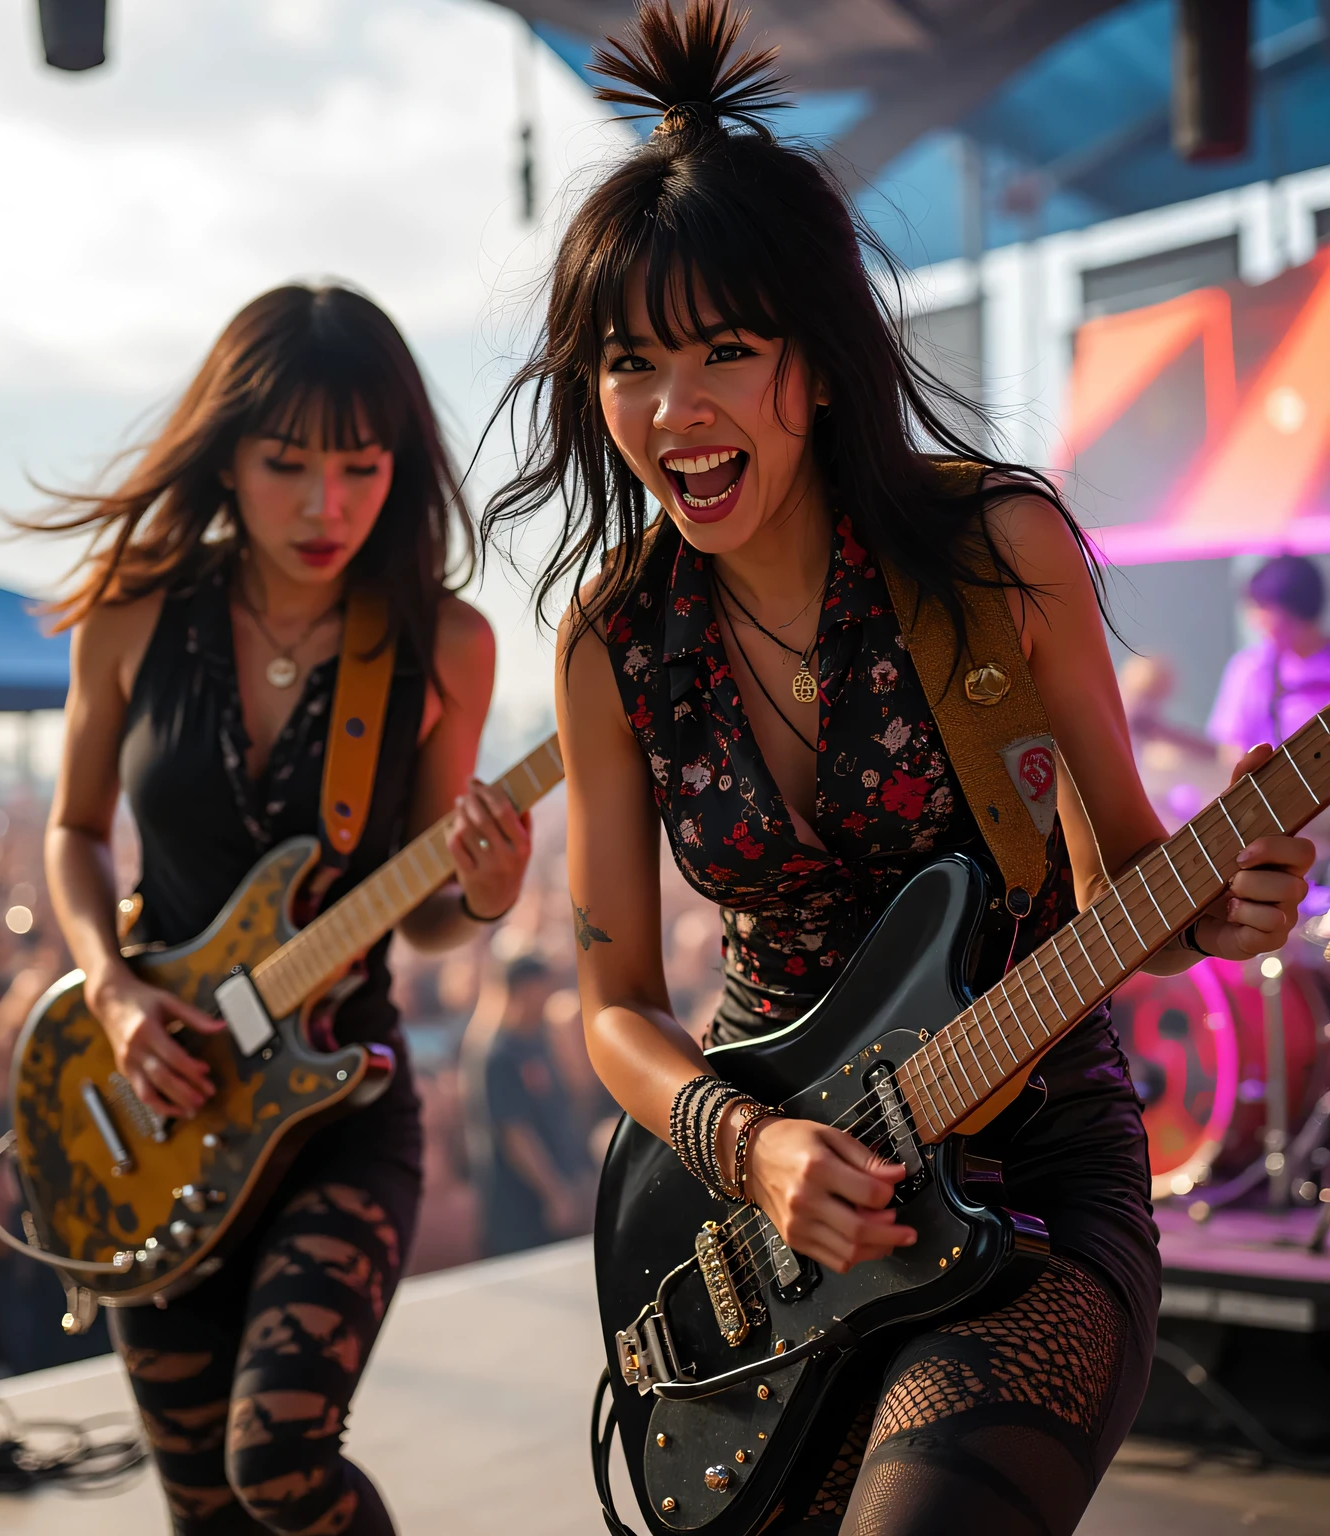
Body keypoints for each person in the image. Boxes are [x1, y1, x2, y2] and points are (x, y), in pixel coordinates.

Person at [481, 5, 1313, 1531]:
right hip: (761, 1219)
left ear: (817, 362)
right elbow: (613, 1007)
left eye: (727, 351)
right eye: (631, 363)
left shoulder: (996, 551)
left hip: (1028, 1177)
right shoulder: (612, 637)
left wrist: (1221, 903)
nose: (676, 412)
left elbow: (1126, 879)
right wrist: (751, 1150)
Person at [29, 283, 532, 1536]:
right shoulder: (131, 609)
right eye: (287, 464)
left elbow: (417, 914)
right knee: (206, 1512)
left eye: (361, 466)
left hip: (336, 1110)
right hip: (161, 1104)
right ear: (225, 456)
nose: (327, 507)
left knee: (280, 1462)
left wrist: (479, 897)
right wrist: (111, 988)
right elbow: (74, 832)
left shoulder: (445, 646)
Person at [464, 954, 592, 1255]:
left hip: (562, 1190)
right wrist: (554, 1192)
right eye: (543, 987)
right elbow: (515, 1133)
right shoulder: (498, 1054)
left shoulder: (540, 1042)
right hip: (521, 1205)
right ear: (524, 989)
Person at [1208, 555, 1330, 763]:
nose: (1256, 621)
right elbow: (1232, 750)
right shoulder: (1251, 669)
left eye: (1263, 607)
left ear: (1295, 609)